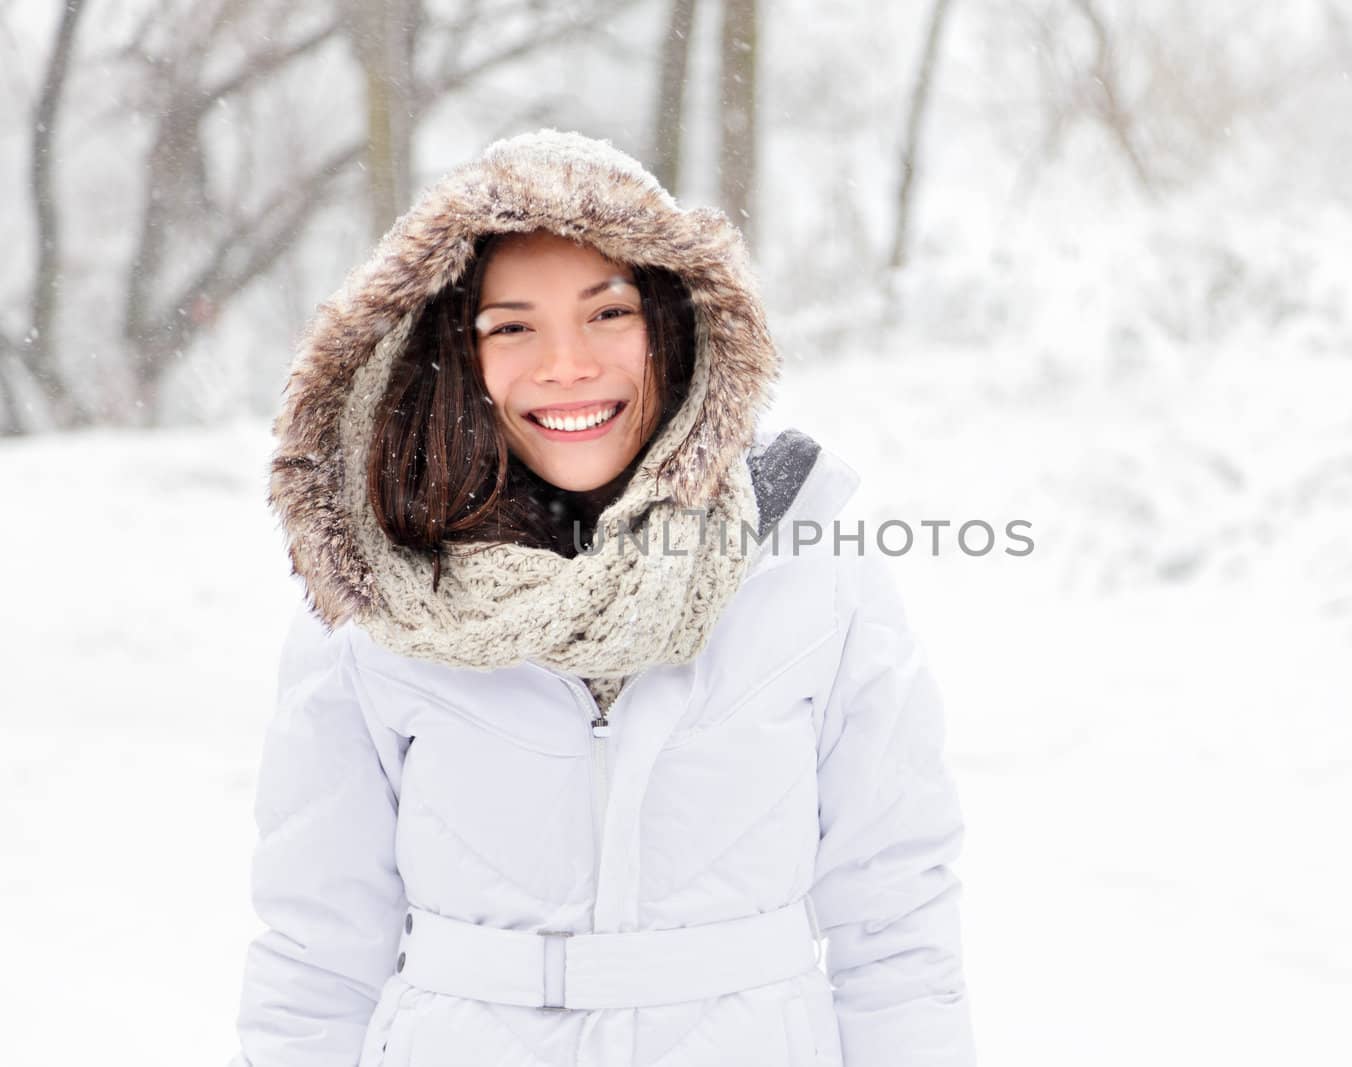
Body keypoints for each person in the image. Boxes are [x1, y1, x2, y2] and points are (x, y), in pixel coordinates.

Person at [228, 129, 977, 1067]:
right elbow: (316, 957)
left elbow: (896, 925)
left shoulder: (811, 562)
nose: (567, 364)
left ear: (674, 322)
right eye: (513, 326)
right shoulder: (382, 594)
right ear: (455, 355)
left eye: (607, 313)